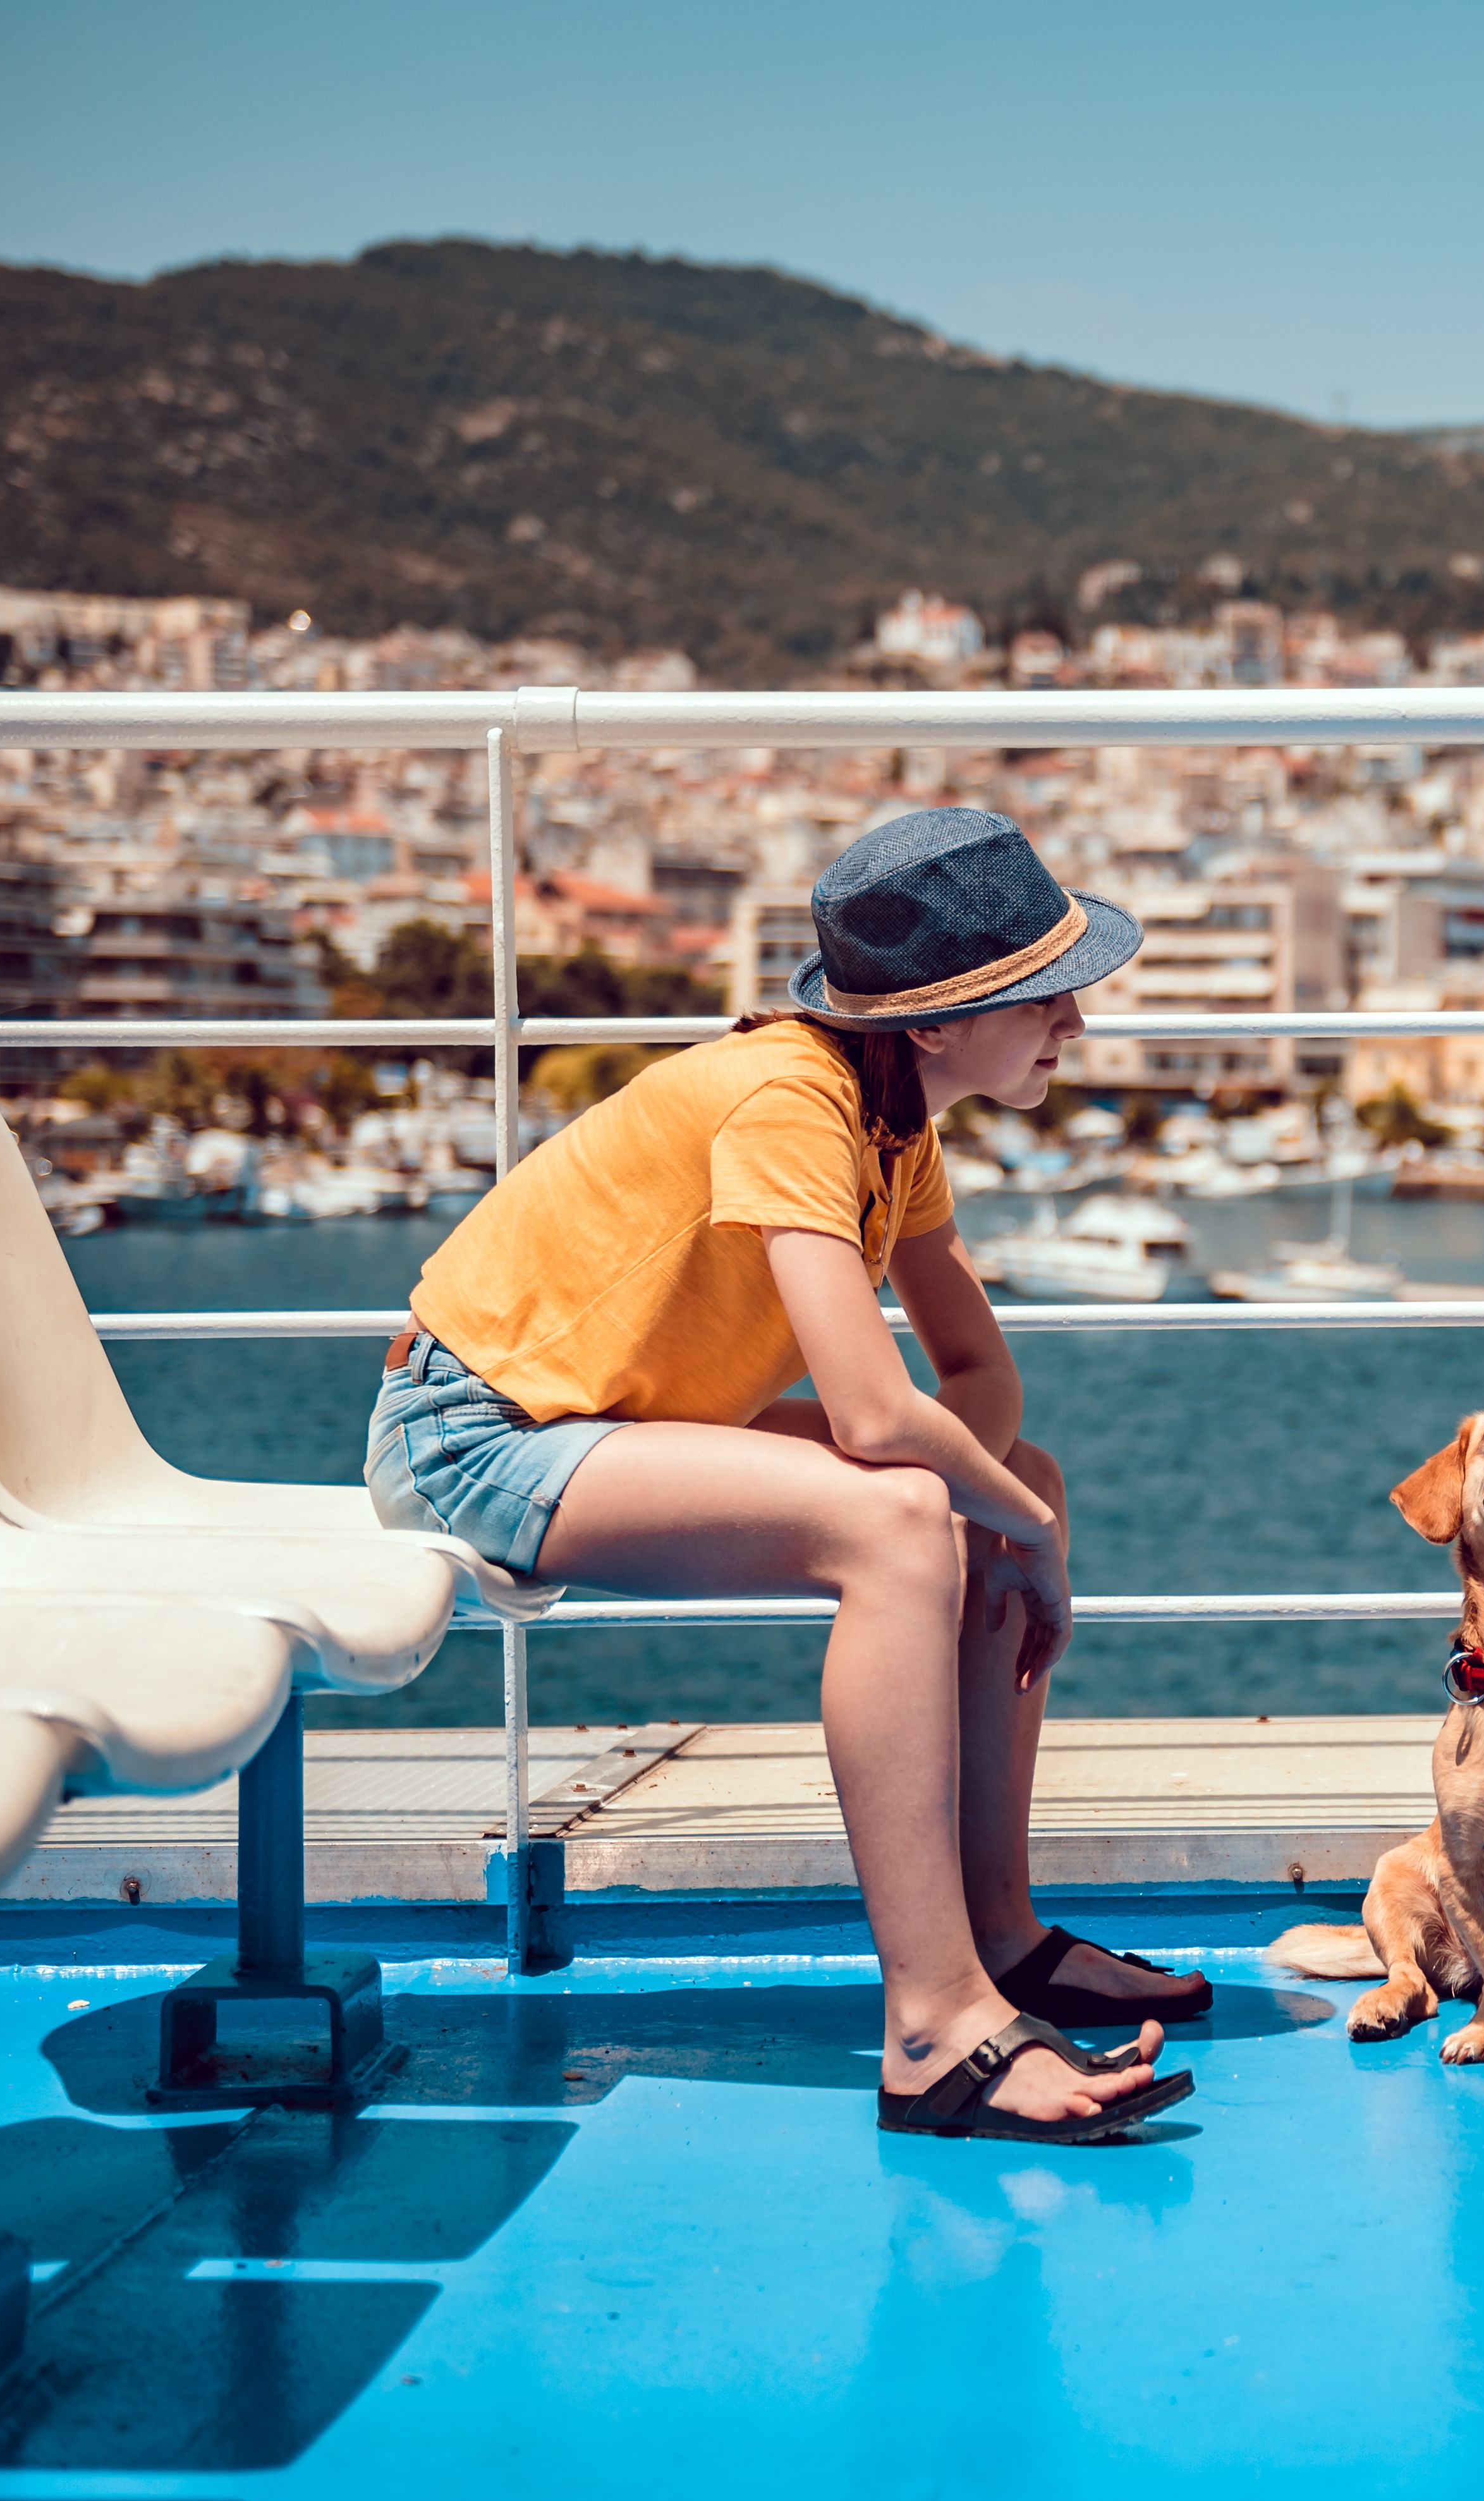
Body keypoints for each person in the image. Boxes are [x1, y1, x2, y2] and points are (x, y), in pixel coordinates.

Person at [367, 806, 1201, 2143]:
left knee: (985, 1485)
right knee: (898, 1519)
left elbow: (979, 1380)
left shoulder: (893, 1123)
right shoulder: (791, 1102)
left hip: (602, 1427)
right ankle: (935, 2027)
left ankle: (998, 1938)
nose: (1076, 1025)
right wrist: (1030, 1535)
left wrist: (1010, 1511)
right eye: (1044, 995)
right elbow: (876, 1415)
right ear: (932, 1021)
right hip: (480, 1436)